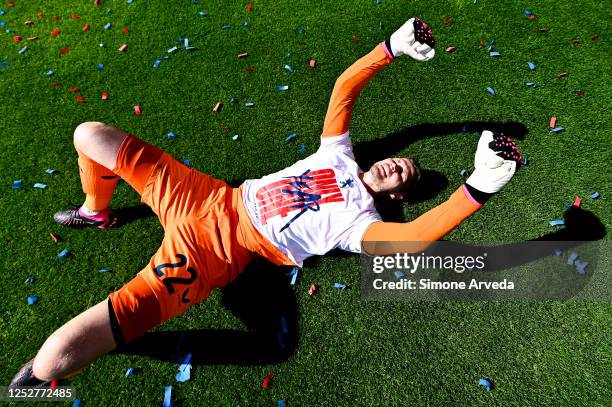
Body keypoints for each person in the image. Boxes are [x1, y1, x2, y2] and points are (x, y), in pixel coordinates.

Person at [10, 17, 522, 387]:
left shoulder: (357, 226)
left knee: (54, 360)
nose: (396, 166)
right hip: (206, 194)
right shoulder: (338, 152)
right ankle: (95, 211)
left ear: (397, 195)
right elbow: (344, 89)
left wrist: (479, 186)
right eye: (399, 161)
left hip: (209, 254)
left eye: (402, 176)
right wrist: (391, 47)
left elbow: (410, 239)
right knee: (89, 133)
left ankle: (37, 384)